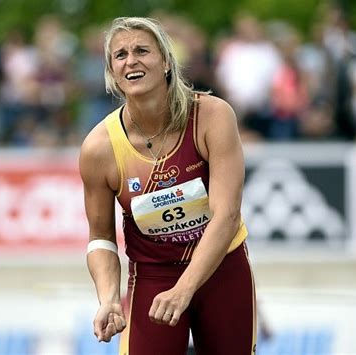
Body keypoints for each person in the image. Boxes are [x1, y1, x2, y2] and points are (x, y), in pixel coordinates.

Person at [79, 16, 257, 355]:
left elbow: (227, 215)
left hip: (222, 268)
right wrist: (108, 299)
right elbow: (100, 237)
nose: (131, 60)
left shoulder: (212, 116)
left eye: (142, 50)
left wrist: (185, 287)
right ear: (112, 74)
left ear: (165, 62)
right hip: (153, 276)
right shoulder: (99, 148)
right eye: (120, 55)